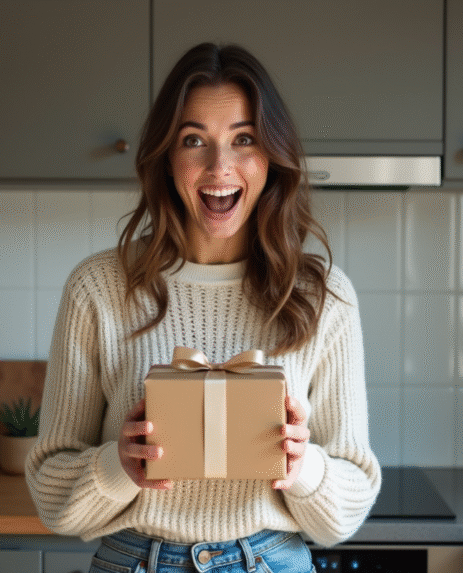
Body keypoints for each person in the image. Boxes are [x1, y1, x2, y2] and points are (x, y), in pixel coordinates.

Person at [26, 43, 380, 573]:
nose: (220, 167)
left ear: (271, 157)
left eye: (244, 139)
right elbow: (53, 498)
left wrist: (302, 466)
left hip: (273, 560)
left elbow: (346, 510)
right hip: (133, 559)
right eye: (195, 140)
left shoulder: (323, 296)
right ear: (168, 158)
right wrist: (118, 466)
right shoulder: (98, 289)